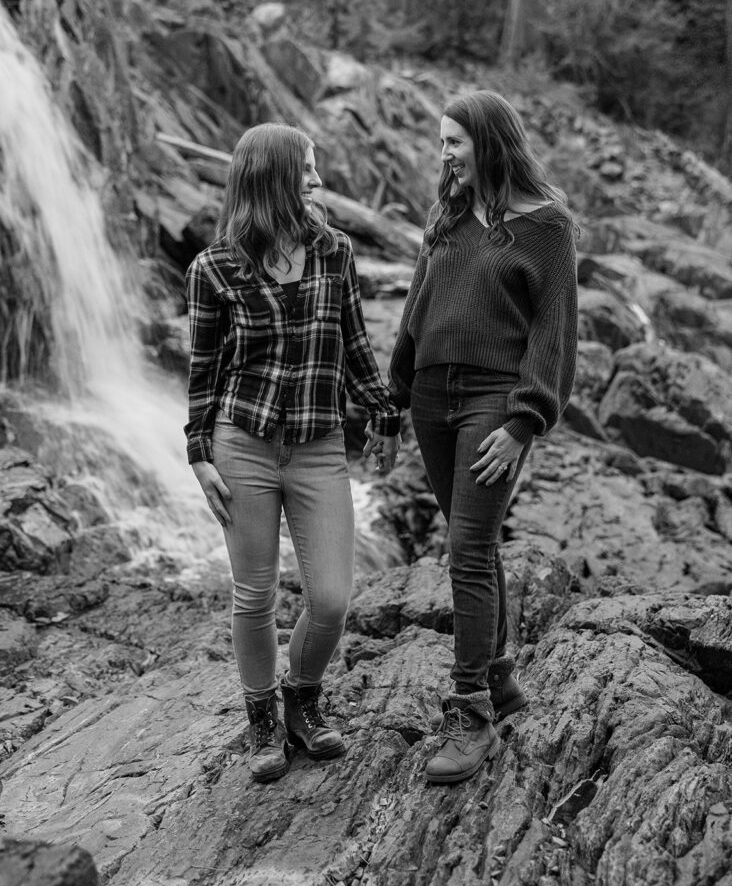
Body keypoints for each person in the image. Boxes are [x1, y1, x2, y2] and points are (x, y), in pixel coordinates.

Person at [185, 123, 400, 783]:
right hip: (241, 444)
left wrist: (385, 415)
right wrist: (198, 453)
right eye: (305, 169)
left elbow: (355, 343)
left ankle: (301, 696)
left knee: (331, 598)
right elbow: (203, 371)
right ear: (272, 177)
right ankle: (262, 721)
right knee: (253, 595)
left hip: (318, 445)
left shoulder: (335, 251)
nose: (316, 180)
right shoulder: (213, 269)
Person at [388, 90, 578, 785]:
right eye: (441, 142)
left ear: (490, 143)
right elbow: (418, 307)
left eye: (454, 142)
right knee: (475, 543)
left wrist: (523, 422)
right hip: (430, 397)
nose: (443, 155)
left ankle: (470, 714)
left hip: (492, 402)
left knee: (466, 550)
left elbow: (555, 331)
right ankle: (499, 678)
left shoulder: (547, 225)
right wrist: (393, 399)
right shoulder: (448, 214)